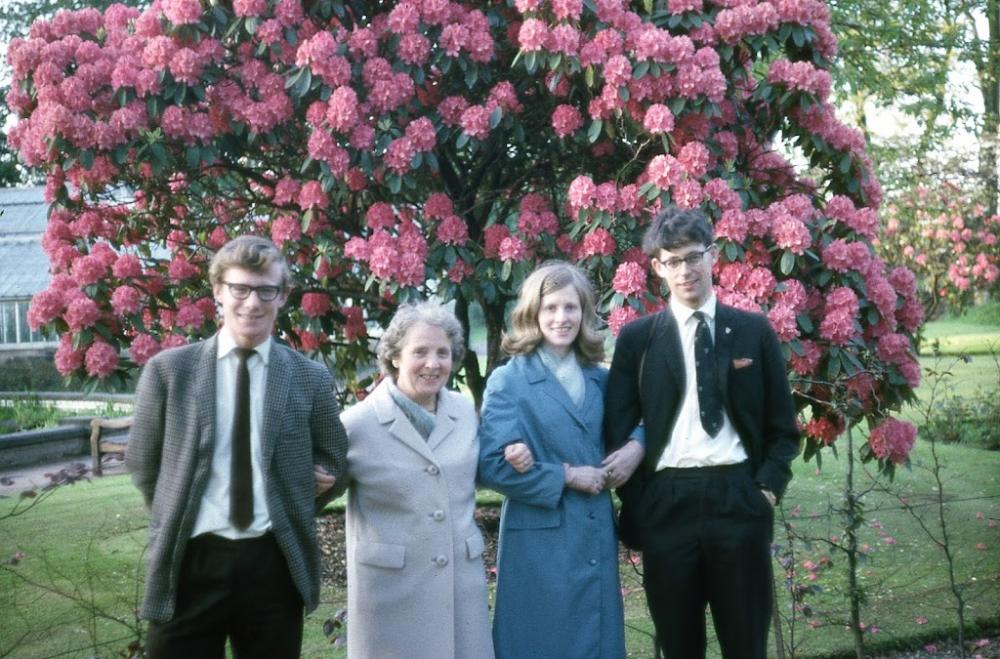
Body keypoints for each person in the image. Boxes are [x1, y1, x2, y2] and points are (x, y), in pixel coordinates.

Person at [127, 235, 348, 658]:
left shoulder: (310, 378)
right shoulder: (170, 372)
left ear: (282, 295)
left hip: (273, 563)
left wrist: (310, 484)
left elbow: (335, 458)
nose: (252, 303)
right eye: (240, 289)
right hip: (190, 562)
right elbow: (143, 463)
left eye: (266, 290)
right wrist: (178, 507)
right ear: (217, 291)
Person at [603, 206, 800, 659]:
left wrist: (765, 491)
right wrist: (642, 503)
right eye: (672, 261)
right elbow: (617, 429)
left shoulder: (753, 332)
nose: (685, 270)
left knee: (746, 643)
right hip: (666, 504)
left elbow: (783, 429)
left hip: (739, 498)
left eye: (694, 256)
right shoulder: (638, 340)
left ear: (713, 256)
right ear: (657, 268)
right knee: (678, 646)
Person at [478, 261, 625, 659]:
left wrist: (634, 450)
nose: (561, 318)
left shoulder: (601, 378)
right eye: (550, 308)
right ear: (533, 314)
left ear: (585, 313)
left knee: (596, 643)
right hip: (538, 540)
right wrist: (565, 475)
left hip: (594, 529)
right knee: (538, 643)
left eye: (571, 307)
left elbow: (637, 426)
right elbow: (490, 466)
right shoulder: (509, 380)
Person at [340, 301, 494, 659]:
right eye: (420, 351)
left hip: (461, 587)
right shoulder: (356, 424)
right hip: (391, 593)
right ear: (394, 356)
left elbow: (484, 471)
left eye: (443, 352)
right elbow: (315, 491)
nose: (432, 363)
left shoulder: (463, 411)